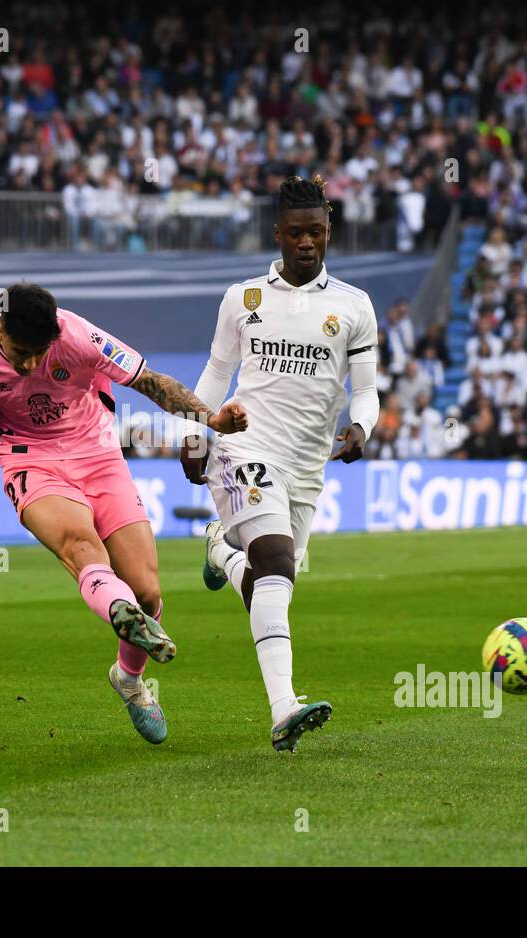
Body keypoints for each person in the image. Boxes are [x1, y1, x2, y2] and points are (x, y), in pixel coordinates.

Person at [0, 283, 247, 745]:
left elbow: (150, 383)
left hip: (99, 454)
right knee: (81, 546)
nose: (29, 364)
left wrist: (210, 419)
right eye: (21, 353)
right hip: (30, 459)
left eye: (39, 352)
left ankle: (127, 677)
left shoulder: (79, 336)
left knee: (147, 592)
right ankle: (116, 608)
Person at [180, 175, 380, 752]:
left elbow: (365, 390)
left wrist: (361, 428)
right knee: (274, 560)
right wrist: (197, 430)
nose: (307, 243)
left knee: (270, 580)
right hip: (244, 448)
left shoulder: (353, 307)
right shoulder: (243, 299)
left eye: (316, 232)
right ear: (278, 234)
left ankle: (220, 546)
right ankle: (283, 709)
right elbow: (217, 374)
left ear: (329, 231)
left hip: (307, 465)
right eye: (296, 233)